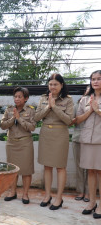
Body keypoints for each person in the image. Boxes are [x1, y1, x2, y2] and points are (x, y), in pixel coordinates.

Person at [34, 73, 74, 210]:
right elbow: (36, 117)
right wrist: (48, 106)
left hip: (60, 133)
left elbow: (69, 121)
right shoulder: (43, 98)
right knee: (47, 166)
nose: (53, 87)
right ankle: (47, 195)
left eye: (56, 84)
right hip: (46, 133)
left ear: (61, 85)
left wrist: (55, 107)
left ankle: (59, 197)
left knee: (60, 166)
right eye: (50, 84)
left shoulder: (68, 100)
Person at [0, 87, 36, 204]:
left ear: (26, 98)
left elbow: (32, 127)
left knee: (26, 170)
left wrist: (19, 118)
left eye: (20, 97)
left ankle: (25, 194)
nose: (17, 99)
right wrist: (13, 118)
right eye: (15, 96)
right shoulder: (9, 110)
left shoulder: (30, 110)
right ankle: (12, 192)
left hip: (25, 143)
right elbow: (3, 125)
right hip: (11, 143)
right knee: (12, 169)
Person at [74, 70, 101, 218]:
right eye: (93, 79)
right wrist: (91, 110)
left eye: (99, 79)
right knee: (90, 171)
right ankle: (92, 202)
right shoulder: (85, 99)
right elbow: (77, 120)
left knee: (100, 172)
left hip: (100, 141)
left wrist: (98, 110)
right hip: (87, 139)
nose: (95, 81)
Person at [71, 86, 90, 203]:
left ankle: (88, 192)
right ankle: (80, 191)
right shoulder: (77, 105)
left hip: (92, 140)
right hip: (78, 138)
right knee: (78, 166)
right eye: (87, 92)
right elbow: (73, 120)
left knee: (89, 168)